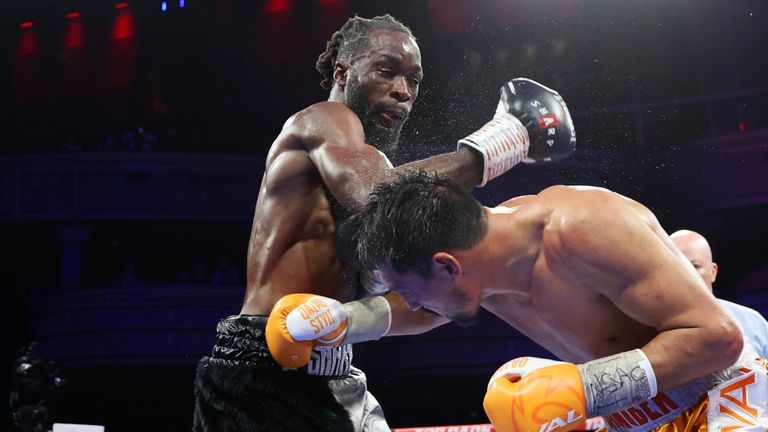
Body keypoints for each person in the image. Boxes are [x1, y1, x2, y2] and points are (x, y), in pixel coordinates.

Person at [193, 14, 576, 432]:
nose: (402, 91)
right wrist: (503, 142)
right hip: (264, 369)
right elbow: (380, 198)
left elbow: (426, 304)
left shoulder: (373, 164)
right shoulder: (322, 119)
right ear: (344, 72)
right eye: (386, 71)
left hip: (334, 369)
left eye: (413, 81)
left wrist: (366, 301)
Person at [308, 171, 767, 432]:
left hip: (719, 393)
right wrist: (341, 321)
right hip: (631, 415)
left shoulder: (585, 230)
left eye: (407, 288)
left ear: (448, 266)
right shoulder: (480, 260)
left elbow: (719, 338)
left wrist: (582, 389)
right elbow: (425, 307)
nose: (409, 301)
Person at [671, 229, 768, 357]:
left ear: (713, 272)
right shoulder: (649, 329)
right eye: (677, 267)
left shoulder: (753, 322)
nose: (686, 274)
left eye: (695, 266)